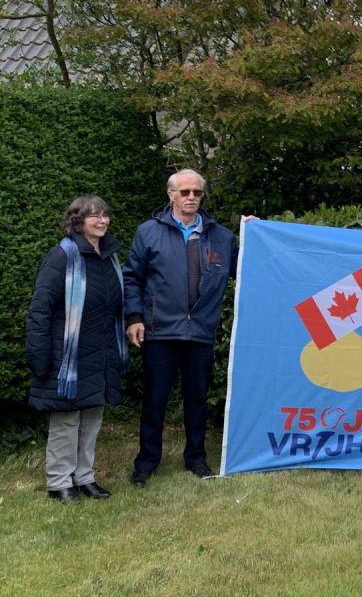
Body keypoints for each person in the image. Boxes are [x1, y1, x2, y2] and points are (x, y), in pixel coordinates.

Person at [124, 169, 238, 486]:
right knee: (154, 400)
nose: (191, 197)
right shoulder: (148, 232)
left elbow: (249, 269)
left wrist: (254, 234)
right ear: (170, 194)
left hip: (200, 332)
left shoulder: (223, 237)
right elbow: (132, 277)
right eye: (185, 192)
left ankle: (196, 459)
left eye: (196, 193)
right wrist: (134, 317)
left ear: (202, 196)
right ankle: (146, 462)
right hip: (160, 331)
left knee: (197, 399)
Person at [26, 196, 127, 501]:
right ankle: (59, 482)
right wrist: (40, 355)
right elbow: (40, 309)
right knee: (67, 420)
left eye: (106, 215)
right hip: (67, 356)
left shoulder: (109, 257)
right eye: (94, 216)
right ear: (77, 221)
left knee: (92, 418)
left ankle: (84, 477)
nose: (102, 220)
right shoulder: (62, 257)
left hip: (101, 351)